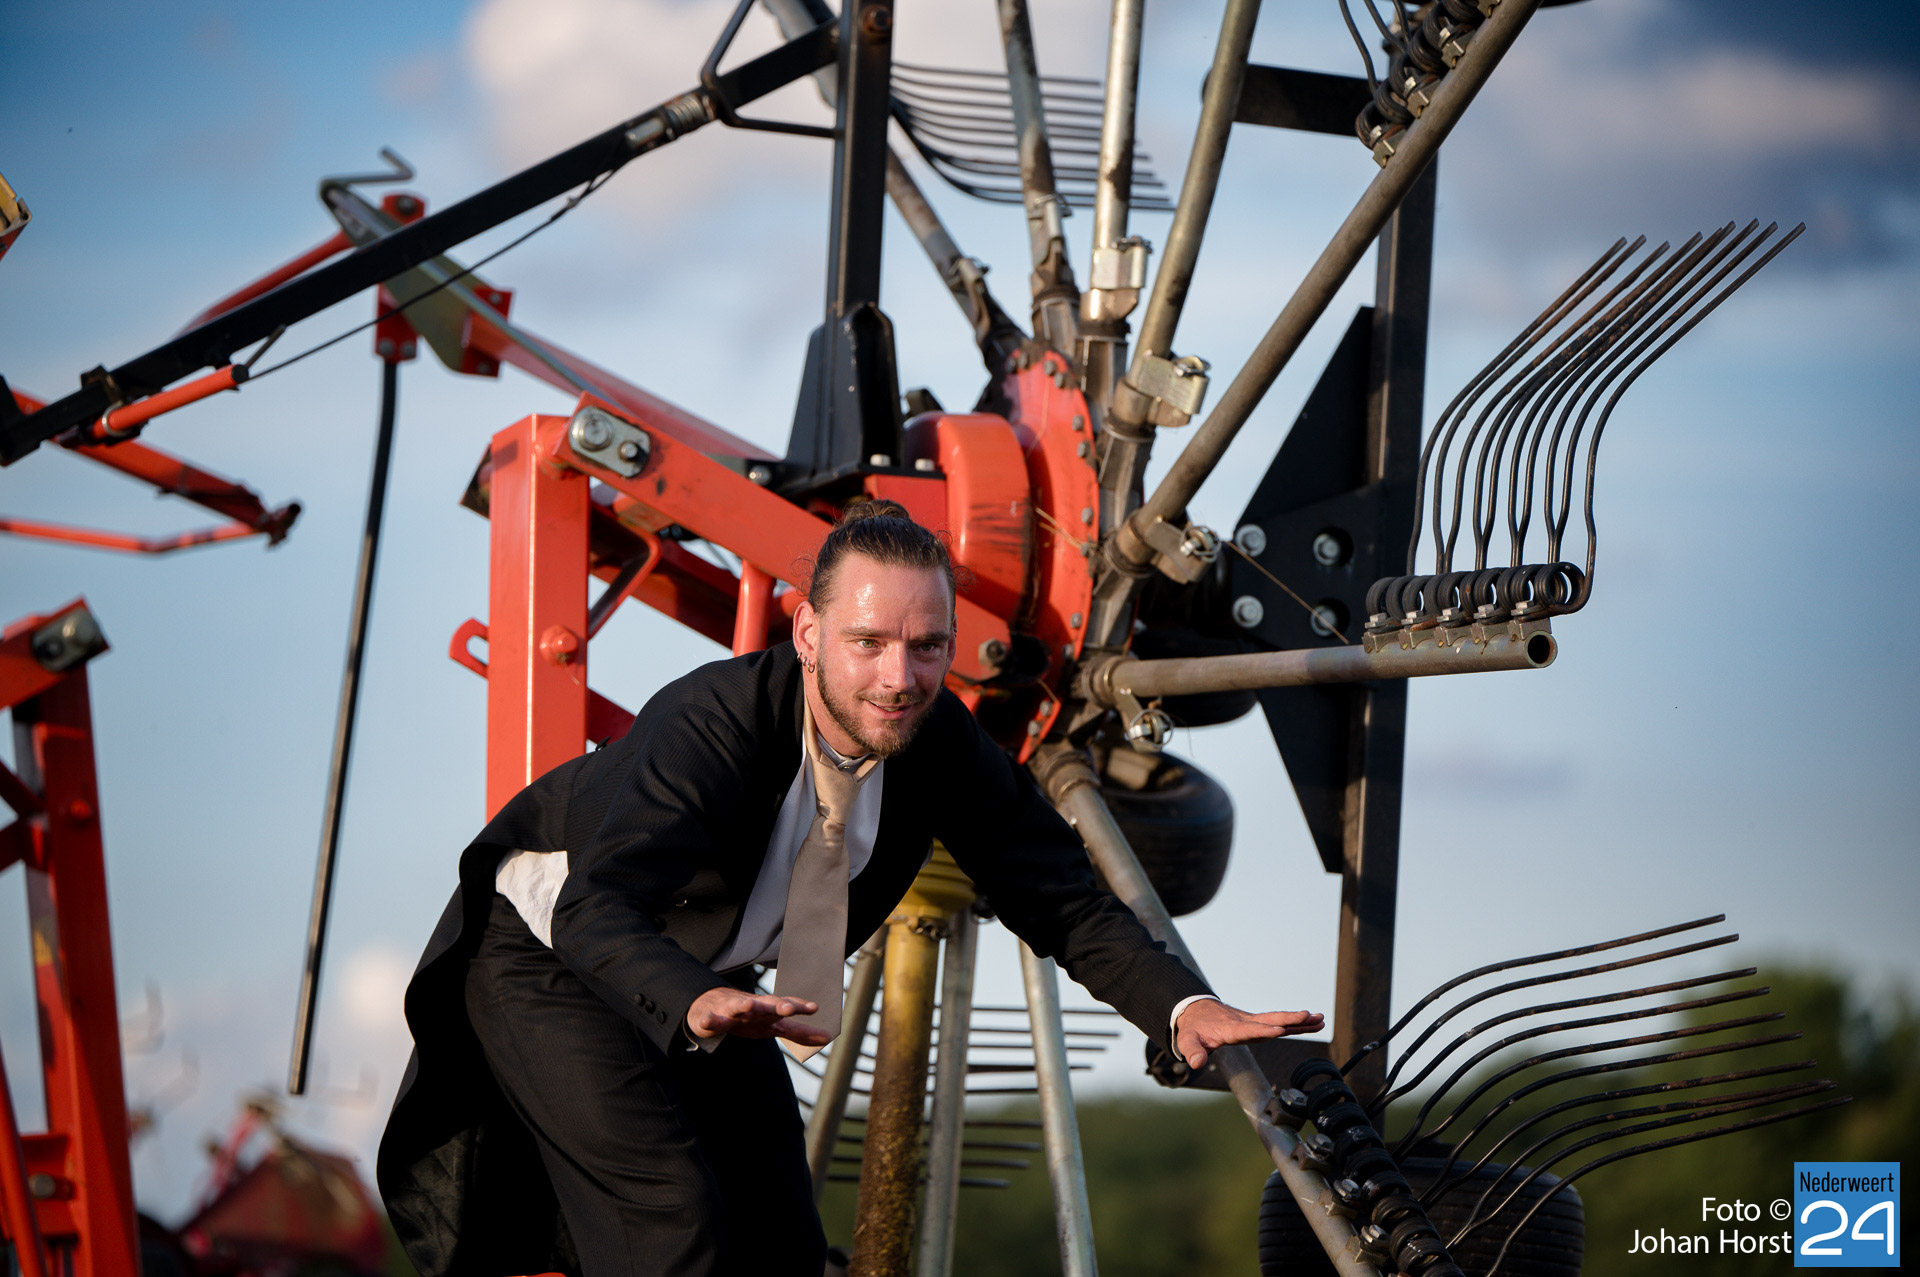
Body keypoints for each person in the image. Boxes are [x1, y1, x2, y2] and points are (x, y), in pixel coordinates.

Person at [376, 500, 1323, 1277]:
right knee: (669, 1215)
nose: (898, 678)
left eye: (926, 646)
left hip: (709, 976)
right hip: (550, 956)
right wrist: (694, 998)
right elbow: (597, 907)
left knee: (782, 1240)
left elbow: (1058, 894)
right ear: (808, 631)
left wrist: (1181, 1005)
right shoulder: (711, 723)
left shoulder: (939, 743)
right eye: (868, 642)